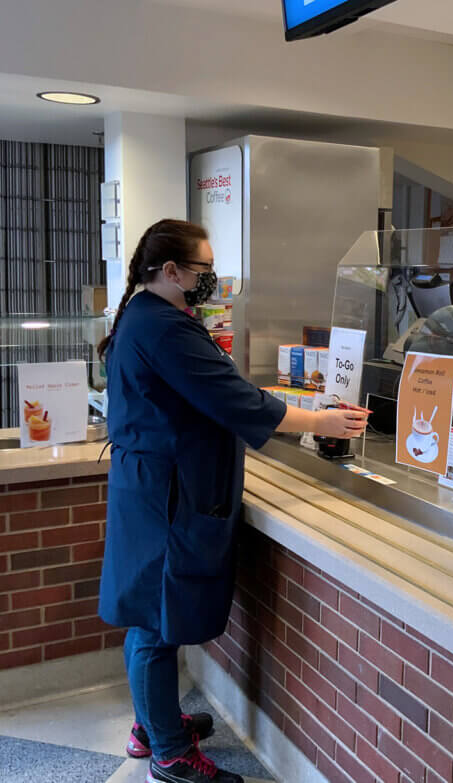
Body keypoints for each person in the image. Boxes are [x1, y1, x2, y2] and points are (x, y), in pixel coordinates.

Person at [97, 219, 368, 783]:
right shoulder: (164, 328)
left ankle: (153, 722)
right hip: (166, 492)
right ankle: (168, 754)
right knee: (154, 624)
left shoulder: (148, 314)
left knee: (148, 615)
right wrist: (320, 419)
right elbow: (234, 399)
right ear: (170, 272)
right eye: (203, 270)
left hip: (151, 484)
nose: (211, 280)